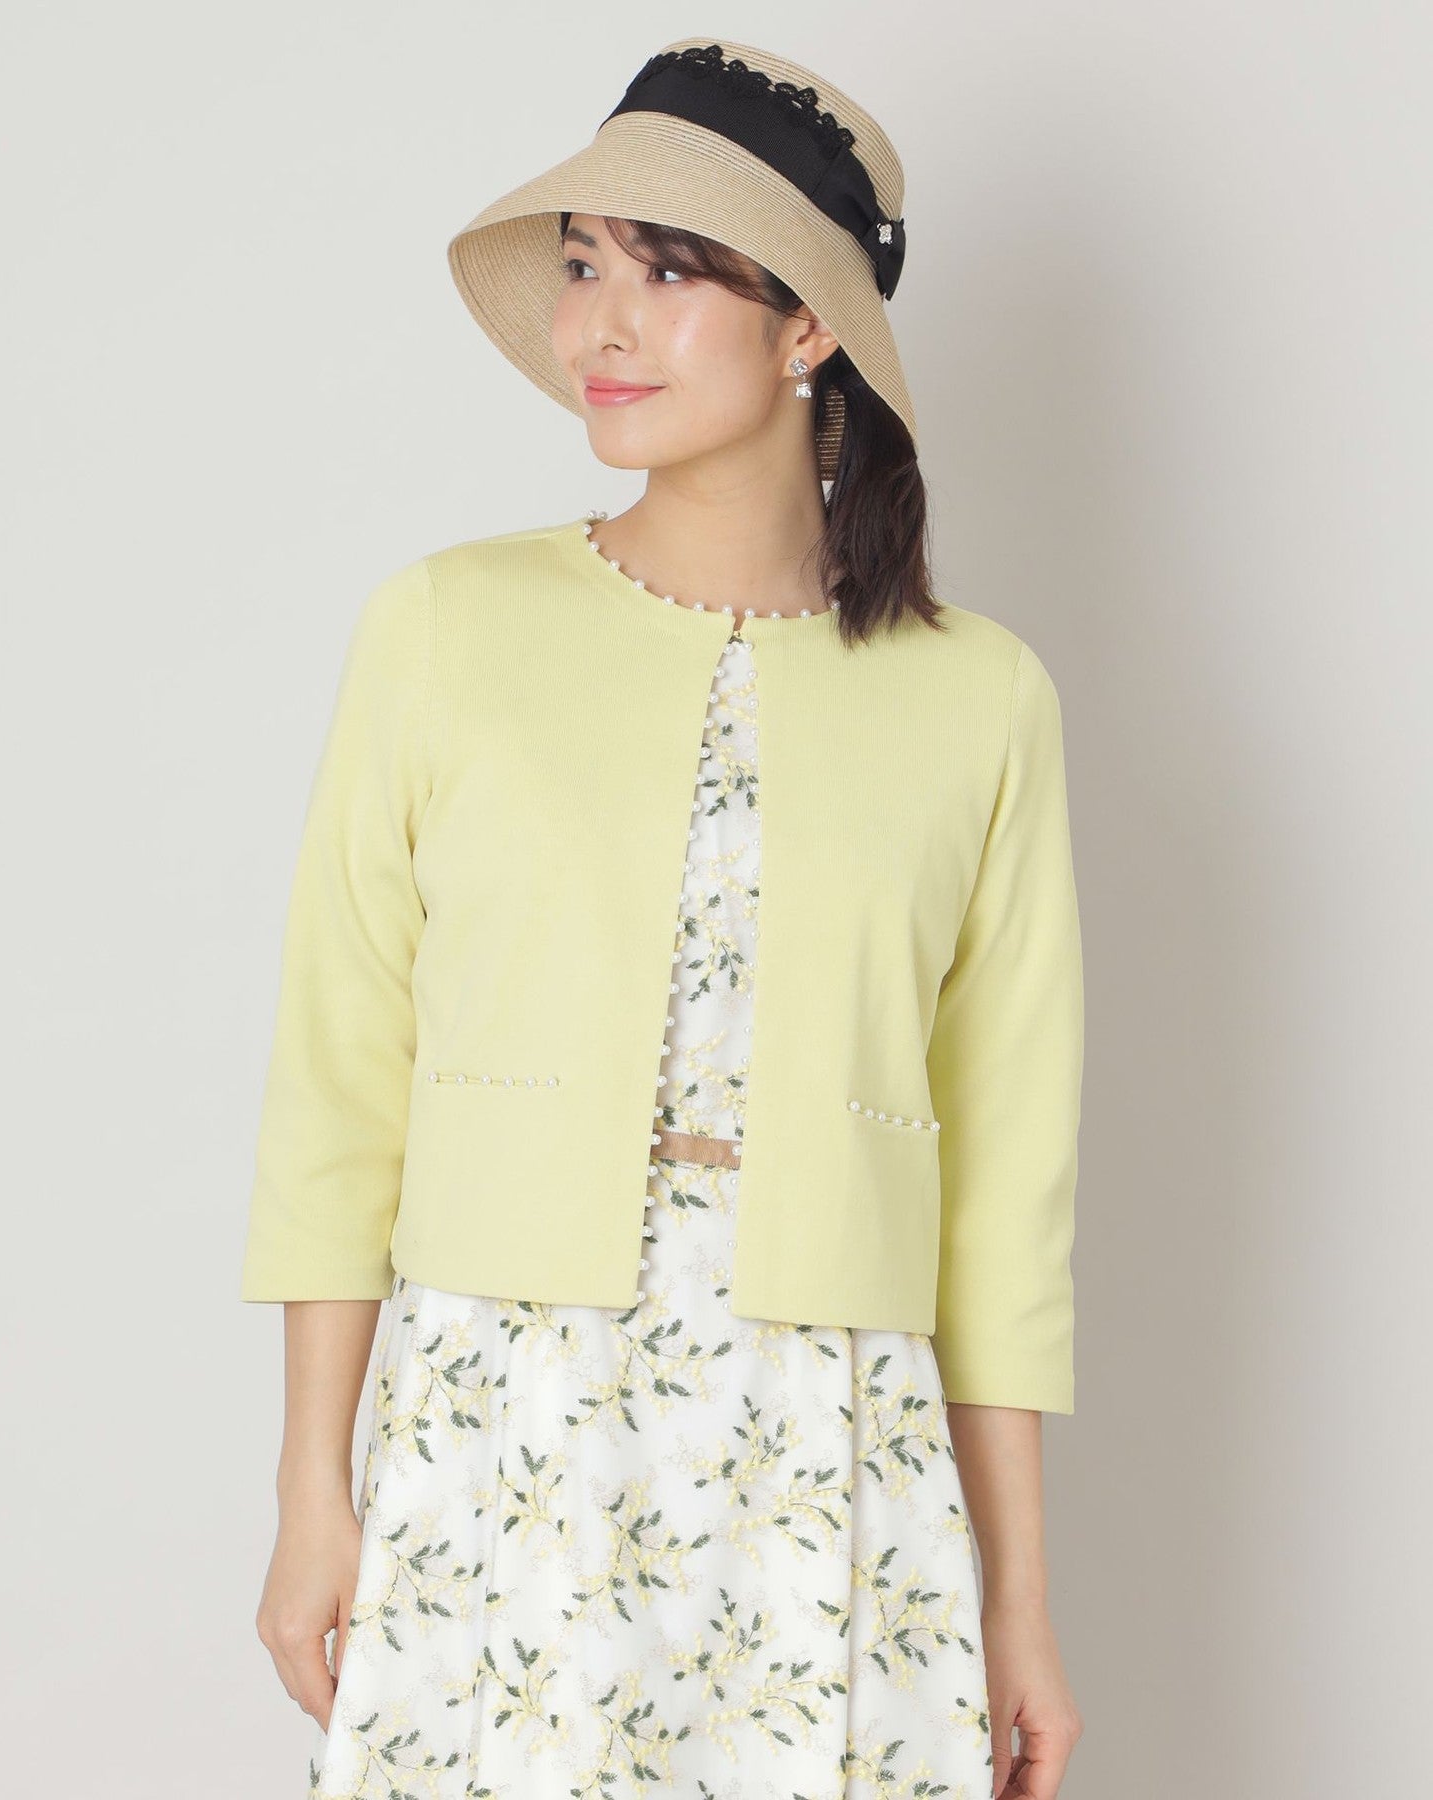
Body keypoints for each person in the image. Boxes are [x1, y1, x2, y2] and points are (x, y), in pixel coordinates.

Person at [242, 36, 1086, 1800]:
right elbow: (340, 1084)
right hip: (503, 1425)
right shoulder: (442, 630)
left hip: (830, 1447)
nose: (598, 327)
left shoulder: (981, 700)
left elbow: (1007, 1195)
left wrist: (1019, 1604)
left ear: (808, 328)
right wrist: (312, 1489)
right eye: (582, 265)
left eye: (670, 270)